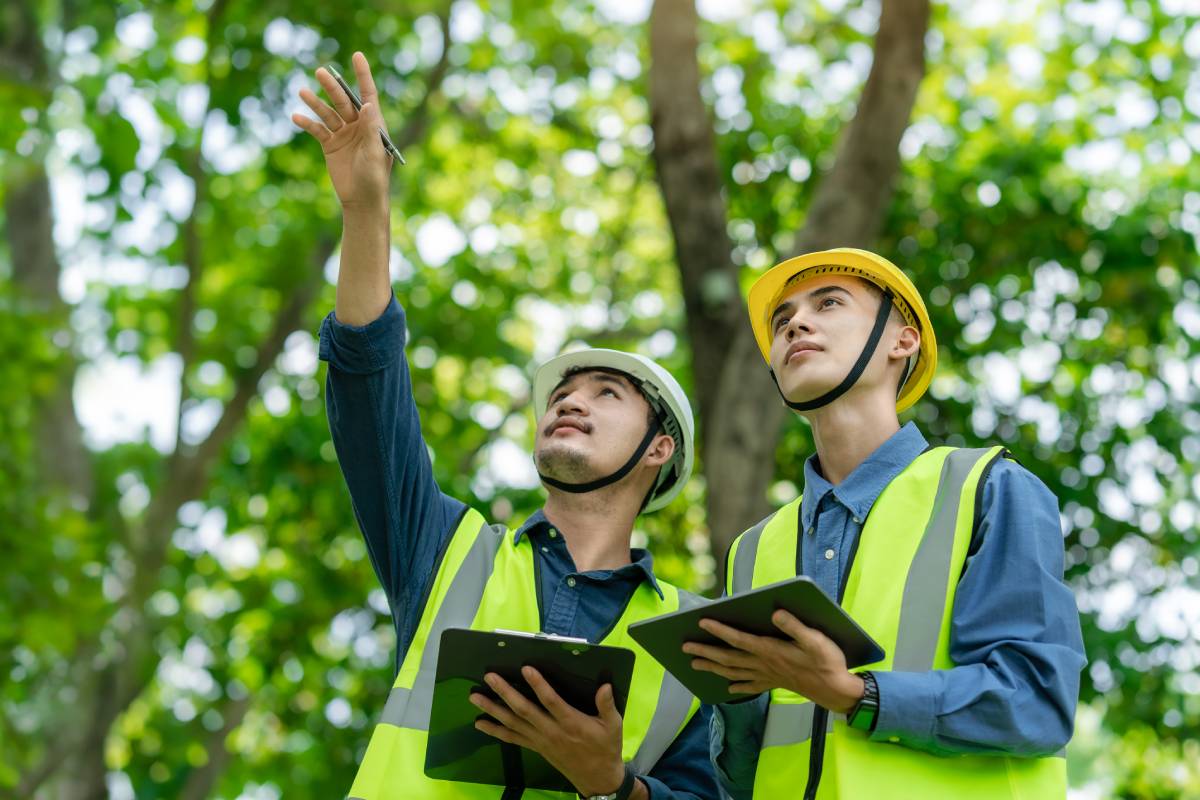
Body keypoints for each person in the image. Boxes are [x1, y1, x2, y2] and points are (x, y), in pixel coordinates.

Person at [292, 52, 720, 800]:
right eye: (563, 392)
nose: (569, 401)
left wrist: (610, 784)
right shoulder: (446, 553)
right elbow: (367, 386)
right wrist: (365, 210)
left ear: (660, 448)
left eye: (607, 392)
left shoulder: (698, 641)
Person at [686, 248, 1086, 799]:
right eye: (782, 322)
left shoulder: (988, 488)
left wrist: (853, 693)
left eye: (829, 303)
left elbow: (1035, 703)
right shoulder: (752, 550)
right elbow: (740, 773)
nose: (796, 323)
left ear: (903, 341)